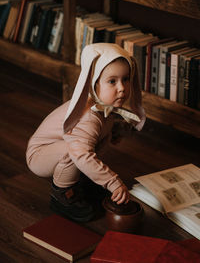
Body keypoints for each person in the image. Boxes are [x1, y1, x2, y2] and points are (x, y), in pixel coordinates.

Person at [26, 43, 146, 222]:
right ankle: (62, 195)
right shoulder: (88, 116)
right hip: (40, 155)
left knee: (83, 147)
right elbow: (81, 152)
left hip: (61, 149)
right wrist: (113, 182)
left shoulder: (105, 107)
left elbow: (100, 131)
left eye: (126, 79)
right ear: (94, 83)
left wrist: (115, 131)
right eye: (112, 81)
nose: (121, 88)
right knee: (75, 150)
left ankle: (82, 181)